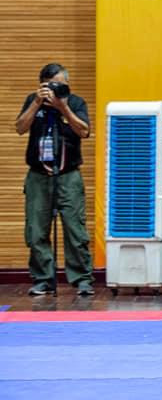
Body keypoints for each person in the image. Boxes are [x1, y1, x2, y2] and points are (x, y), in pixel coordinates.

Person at [15, 63, 95, 296]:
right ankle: (43, 279)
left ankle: (82, 279)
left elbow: (84, 131)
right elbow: (20, 128)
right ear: (41, 85)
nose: (55, 89)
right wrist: (36, 103)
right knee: (36, 231)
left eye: (60, 84)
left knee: (75, 229)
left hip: (69, 175)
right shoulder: (33, 100)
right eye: (50, 85)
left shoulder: (76, 102)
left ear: (67, 84)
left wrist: (63, 108)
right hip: (38, 176)